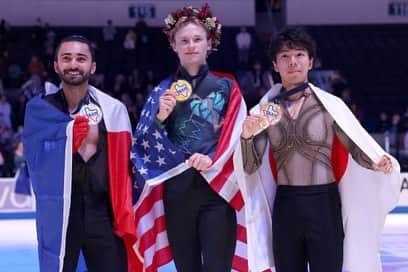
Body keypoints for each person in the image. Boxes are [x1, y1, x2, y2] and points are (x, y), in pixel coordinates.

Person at [235, 27, 402, 272]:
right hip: (286, 205)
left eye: (299, 55)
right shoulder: (263, 112)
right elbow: (250, 167)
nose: (293, 62)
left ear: (311, 62)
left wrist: (376, 162)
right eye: (285, 56)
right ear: (275, 64)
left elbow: (355, 146)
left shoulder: (330, 106)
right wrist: (247, 138)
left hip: (324, 204)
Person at [131, 4, 247, 272]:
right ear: (173, 45)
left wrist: (211, 159)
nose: (191, 45)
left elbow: (240, 136)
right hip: (177, 193)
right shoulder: (162, 90)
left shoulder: (228, 86)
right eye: (184, 40)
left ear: (210, 43)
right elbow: (142, 147)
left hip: (217, 191)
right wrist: (160, 116)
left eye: (197, 39)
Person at [22, 35, 138, 272]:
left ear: (92, 66)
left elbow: (128, 163)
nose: (73, 64)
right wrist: (64, 141)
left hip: (104, 215)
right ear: (56, 65)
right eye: (66, 58)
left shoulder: (113, 109)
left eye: (81, 58)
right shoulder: (39, 110)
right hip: (60, 216)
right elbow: (33, 161)